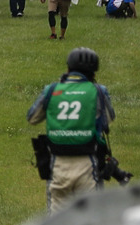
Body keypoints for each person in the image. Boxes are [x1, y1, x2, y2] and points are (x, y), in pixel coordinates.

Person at [27, 47, 118, 211]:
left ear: (68, 68)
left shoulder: (52, 90)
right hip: (88, 164)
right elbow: (108, 119)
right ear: (93, 73)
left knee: (57, 222)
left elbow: (32, 118)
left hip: (57, 165)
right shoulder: (98, 91)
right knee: (91, 222)